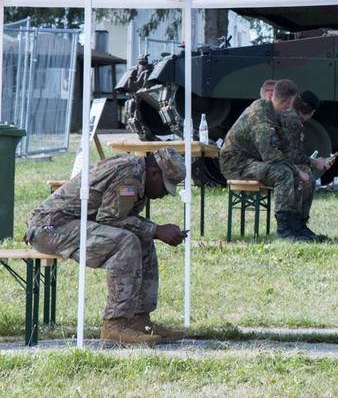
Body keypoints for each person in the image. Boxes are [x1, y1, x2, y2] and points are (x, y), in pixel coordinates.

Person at [25, 147, 189, 345]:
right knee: (126, 241)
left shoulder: (139, 175)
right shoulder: (129, 175)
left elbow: (120, 218)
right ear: (154, 173)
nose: (164, 194)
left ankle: (139, 321)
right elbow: (110, 218)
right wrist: (156, 230)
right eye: (165, 186)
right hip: (50, 228)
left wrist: (153, 231)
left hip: (70, 225)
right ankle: (114, 326)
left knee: (142, 238)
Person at [220, 79, 314, 242]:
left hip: (252, 161)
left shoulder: (271, 113)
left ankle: (298, 225)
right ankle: (283, 231)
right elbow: (270, 156)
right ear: (291, 100)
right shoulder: (260, 114)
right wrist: (296, 171)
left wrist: (299, 170)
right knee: (283, 174)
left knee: (303, 173)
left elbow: (284, 149)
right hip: (237, 165)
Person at [278, 90, 338, 241]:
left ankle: (298, 225)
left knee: (304, 173)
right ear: (312, 113)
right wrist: (315, 163)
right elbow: (293, 156)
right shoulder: (293, 121)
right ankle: (291, 227)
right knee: (304, 177)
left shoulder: (288, 115)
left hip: (274, 162)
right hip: (275, 165)